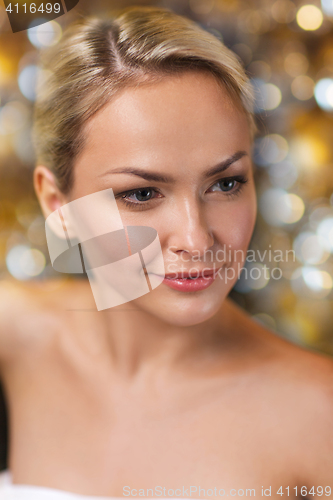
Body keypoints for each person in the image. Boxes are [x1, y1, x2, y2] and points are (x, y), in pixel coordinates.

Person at [0, 6, 333, 499]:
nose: (197, 241)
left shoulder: (317, 415)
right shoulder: (17, 336)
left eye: (225, 183)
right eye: (141, 194)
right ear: (58, 204)